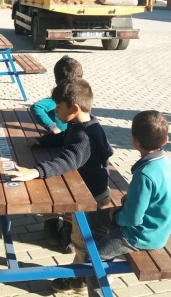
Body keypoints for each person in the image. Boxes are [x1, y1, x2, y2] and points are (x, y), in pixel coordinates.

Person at [7, 78, 113, 294]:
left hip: (91, 199)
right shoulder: (84, 125)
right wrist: (45, 141)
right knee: (82, 240)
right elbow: (66, 138)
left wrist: (35, 172)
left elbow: (68, 160)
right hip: (88, 192)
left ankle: (82, 281)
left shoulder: (84, 135)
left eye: (58, 107)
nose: (55, 111)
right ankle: (82, 275)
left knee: (83, 242)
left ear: (73, 109)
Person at [84, 110, 171, 297]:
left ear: (134, 140)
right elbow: (157, 196)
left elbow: (132, 218)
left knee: (92, 258)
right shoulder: (169, 164)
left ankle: (100, 283)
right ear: (165, 140)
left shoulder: (144, 174)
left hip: (142, 235)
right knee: (93, 220)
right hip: (159, 226)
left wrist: (116, 216)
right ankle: (105, 263)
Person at [31, 55, 83, 253]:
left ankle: (66, 228)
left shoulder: (79, 99)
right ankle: (52, 223)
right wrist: (52, 128)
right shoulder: (62, 97)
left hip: (72, 148)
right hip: (58, 146)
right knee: (50, 183)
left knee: (71, 187)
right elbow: (37, 107)